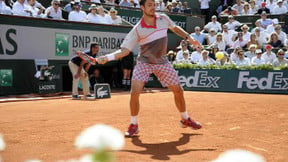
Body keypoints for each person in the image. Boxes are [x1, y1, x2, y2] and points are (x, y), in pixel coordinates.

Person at [96, 0, 202, 137]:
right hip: (144, 63)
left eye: (154, 5)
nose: (153, 8)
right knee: (135, 92)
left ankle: (185, 119)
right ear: (142, 7)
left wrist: (189, 38)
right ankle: (134, 124)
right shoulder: (138, 29)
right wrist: (107, 58)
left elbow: (175, 28)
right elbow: (124, 51)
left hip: (162, 62)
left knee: (178, 91)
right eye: (149, 5)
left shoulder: (163, 18)